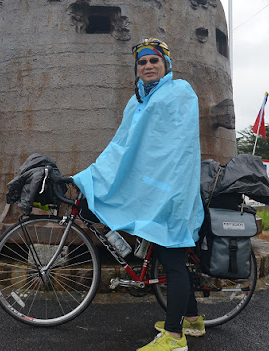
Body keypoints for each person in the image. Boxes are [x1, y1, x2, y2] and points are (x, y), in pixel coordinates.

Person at [73, 38, 205, 351]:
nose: (147, 66)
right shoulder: (136, 102)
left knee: (172, 260)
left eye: (154, 60)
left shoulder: (179, 92)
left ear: (166, 65)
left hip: (172, 191)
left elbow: (179, 148)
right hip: (152, 191)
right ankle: (193, 321)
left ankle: (174, 338)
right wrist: (96, 174)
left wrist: (168, 191)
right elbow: (122, 147)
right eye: (142, 62)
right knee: (167, 256)